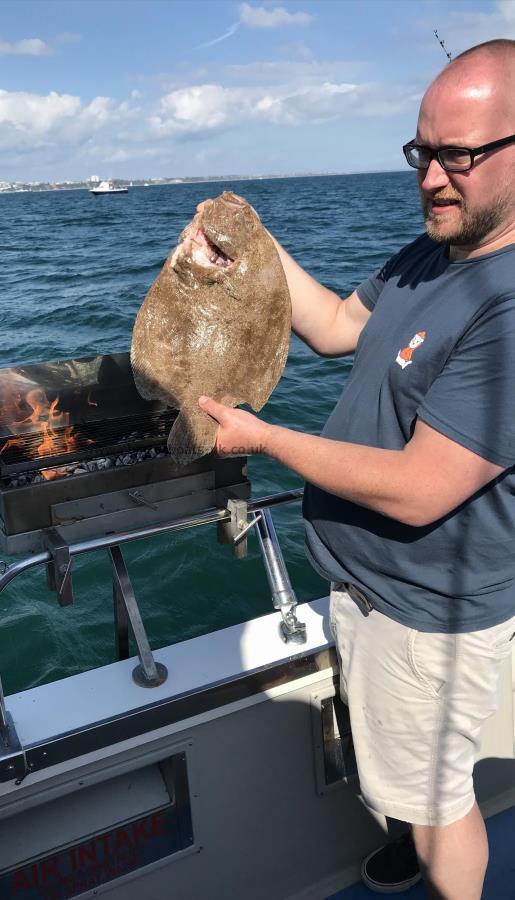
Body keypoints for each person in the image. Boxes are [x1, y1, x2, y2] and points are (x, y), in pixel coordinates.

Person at [198, 39, 515, 899]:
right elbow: (338, 324)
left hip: (425, 613)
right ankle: (408, 841)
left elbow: (419, 491)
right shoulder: (432, 250)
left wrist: (263, 440)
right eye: (422, 152)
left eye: (460, 156)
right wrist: (254, 250)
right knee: (402, 772)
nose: (431, 180)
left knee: (440, 795)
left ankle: (444, 869)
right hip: (366, 586)